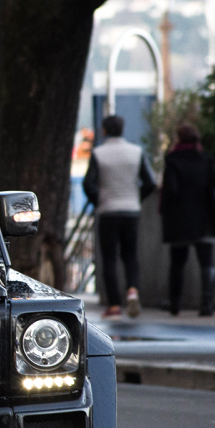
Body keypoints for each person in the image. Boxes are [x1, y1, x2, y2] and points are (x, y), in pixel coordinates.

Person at [83, 115, 156, 318]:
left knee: (109, 258)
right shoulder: (136, 152)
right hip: (131, 210)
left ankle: (114, 304)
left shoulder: (99, 153)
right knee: (130, 255)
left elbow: (88, 183)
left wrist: (98, 200)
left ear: (104, 130)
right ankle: (132, 290)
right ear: (122, 129)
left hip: (108, 210)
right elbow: (150, 181)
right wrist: (136, 198)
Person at [160, 122, 215, 316]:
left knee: (177, 263)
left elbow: (170, 191)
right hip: (205, 219)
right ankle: (207, 304)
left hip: (180, 220)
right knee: (207, 261)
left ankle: (175, 304)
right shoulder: (206, 160)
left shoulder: (173, 160)